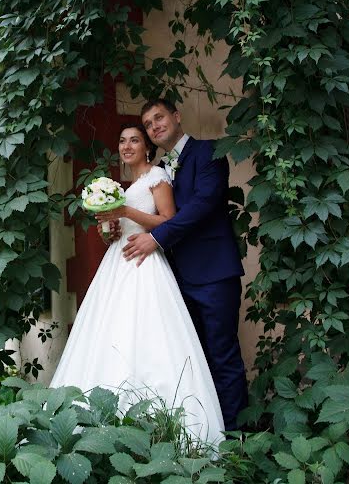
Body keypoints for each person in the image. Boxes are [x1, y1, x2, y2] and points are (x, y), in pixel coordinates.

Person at [50, 123, 225, 443]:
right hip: (117, 265)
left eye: (134, 140)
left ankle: (159, 423)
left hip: (147, 265)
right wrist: (109, 228)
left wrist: (125, 210)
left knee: (147, 334)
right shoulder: (125, 186)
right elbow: (117, 233)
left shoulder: (158, 177)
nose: (126, 145)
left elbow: (169, 222)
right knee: (108, 332)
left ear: (147, 148)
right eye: (121, 140)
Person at [118, 98, 248, 431]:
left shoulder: (209, 152)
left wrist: (157, 238)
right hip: (176, 278)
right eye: (148, 124)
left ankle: (236, 438)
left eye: (158, 118)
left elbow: (203, 205)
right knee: (192, 360)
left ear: (176, 117)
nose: (154, 126)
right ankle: (206, 432)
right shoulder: (158, 168)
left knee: (222, 356)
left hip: (214, 272)